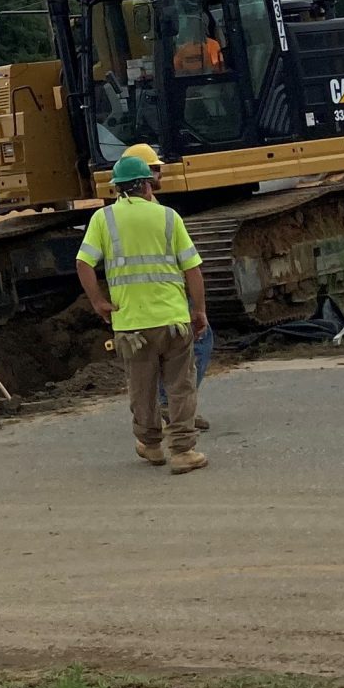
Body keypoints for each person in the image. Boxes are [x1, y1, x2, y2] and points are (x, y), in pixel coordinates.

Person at [75, 152, 209, 474]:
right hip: (173, 320)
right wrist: (199, 310)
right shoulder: (168, 217)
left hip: (131, 325)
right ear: (147, 185)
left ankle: (151, 445)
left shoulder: (103, 219)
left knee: (142, 388)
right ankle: (182, 451)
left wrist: (98, 302)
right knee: (180, 386)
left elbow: (83, 263)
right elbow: (192, 269)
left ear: (118, 188)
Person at [123, 144, 214, 432]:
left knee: (145, 367)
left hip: (134, 307)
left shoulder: (113, 216)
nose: (160, 173)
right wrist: (199, 308)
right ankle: (175, 411)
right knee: (193, 347)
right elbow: (190, 265)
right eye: (155, 169)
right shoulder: (160, 213)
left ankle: (156, 423)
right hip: (164, 301)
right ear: (143, 176)